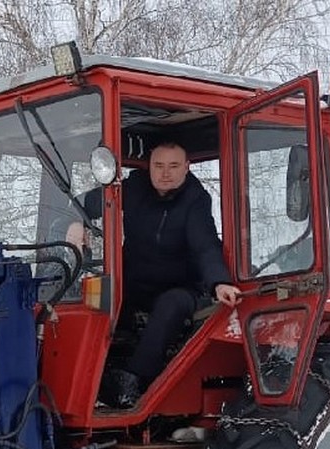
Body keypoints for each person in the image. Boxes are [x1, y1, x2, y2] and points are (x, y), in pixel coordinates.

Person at [98, 140, 241, 408]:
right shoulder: (134, 188)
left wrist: (219, 282)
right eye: (159, 165)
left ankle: (134, 382)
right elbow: (94, 201)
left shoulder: (195, 199)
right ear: (149, 166)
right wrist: (75, 222)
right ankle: (96, 377)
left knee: (171, 303)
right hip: (136, 281)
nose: (166, 173)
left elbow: (205, 244)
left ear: (186, 167)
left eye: (174, 166)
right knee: (102, 295)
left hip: (181, 286)